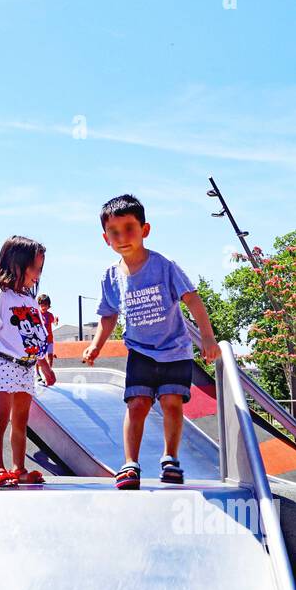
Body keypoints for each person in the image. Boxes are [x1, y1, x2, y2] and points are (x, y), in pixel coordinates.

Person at [82, 193, 219, 490]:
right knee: (137, 404)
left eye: (129, 229)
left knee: (171, 402)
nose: (122, 237)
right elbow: (108, 316)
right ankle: (130, 463)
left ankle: (170, 458)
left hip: (175, 350)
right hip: (140, 353)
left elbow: (192, 299)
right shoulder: (110, 276)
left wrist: (207, 337)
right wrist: (96, 345)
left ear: (145, 230)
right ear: (106, 239)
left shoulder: (163, 265)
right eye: (114, 232)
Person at [0, 236, 54, 487]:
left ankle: (18, 468)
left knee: (21, 421)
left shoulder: (30, 300)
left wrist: (45, 367)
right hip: (3, 363)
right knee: (0, 417)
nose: (38, 275)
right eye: (36, 268)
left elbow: (37, 339)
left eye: (41, 270)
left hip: (27, 366)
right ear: (18, 264)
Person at [35, 292, 58, 385]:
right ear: (39, 305)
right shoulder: (37, 314)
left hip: (49, 339)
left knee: (50, 356)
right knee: (39, 357)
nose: (44, 307)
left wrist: (56, 321)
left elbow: (54, 322)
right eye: (42, 305)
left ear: (49, 306)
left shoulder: (50, 315)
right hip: (40, 340)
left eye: (46, 305)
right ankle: (37, 374)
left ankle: (48, 373)